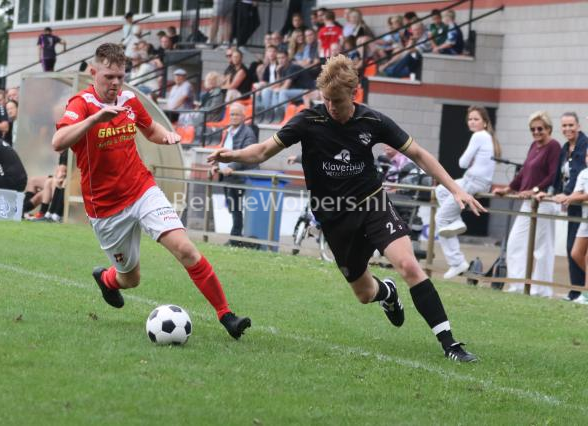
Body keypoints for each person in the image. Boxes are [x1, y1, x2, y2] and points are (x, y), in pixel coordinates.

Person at [208, 55, 483, 362]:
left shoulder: (373, 121)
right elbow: (261, 151)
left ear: (354, 93)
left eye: (337, 101)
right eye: (326, 100)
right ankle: (387, 293)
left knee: (408, 265)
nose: (331, 107)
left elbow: (418, 154)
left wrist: (456, 189)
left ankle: (450, 344)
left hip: (372, 203)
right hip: (334, 215)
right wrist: (232, 155)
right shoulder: (308, 121)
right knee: (364, 294)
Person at [51, 43, 251, 339]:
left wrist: (167, 136)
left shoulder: (130, 100)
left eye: (120, 77)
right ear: (93, 72)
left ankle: (227, 316)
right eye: (109, 77)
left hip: (141, 190)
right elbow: (58, 141)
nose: (115, 83)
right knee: (131, 279)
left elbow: (150, 129)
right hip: (105, 207)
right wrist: (95, 119)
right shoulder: (81, 104)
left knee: (185, 249)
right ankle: (107, 279)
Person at [492, 111, 561, 297]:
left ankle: (541, 290)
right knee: (515, 243)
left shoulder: (554, 146)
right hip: (527, 202)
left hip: (543, 202)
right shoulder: (533, 146)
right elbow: (524, 173)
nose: (536, 132)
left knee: (542, 248)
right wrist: (508, 189)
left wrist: (535, 190)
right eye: (533, 129)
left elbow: (553, 175)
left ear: (549, 129)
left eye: (540, 128)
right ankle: (517, 286)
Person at [436, 106, 500, 279]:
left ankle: (457, 262)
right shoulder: (488, 137)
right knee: (441, 190)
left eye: (476, 119)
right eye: (470, 119)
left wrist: (470, 161)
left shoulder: (479, 136)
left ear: (485, 122)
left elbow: (462, 163)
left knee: (441, 219)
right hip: (472, 181)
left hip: (473, 182)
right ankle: (455, 220)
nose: (472, 122)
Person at [545, 112, 588, 302]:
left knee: (577, 250)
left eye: (571, 125)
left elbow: (579, 173)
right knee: (572, 249)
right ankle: (576, 290)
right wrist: (550, 192)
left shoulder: (584, 144)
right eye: (564, 125)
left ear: (578, 126)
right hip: (572, 203)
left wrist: (567, 195)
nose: (568, 129)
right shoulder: (565, 148)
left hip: (580, 203)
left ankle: (580, 291)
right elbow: (558, 174)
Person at [210, 103, 259, 245]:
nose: (234, 117)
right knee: (232, 207)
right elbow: (223, 151)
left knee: (236, 208)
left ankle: (235, 238)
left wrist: (231, 166)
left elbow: (247, 154)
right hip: (227, 177)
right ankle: (237, 237)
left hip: (240, 177)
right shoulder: (229, 131)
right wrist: (216, 164)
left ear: (243, 117)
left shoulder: (248, 133)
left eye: (237, 114)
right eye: (232, 114)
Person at [560, 150, 588, 304]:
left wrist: (569, 198)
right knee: (576, 253)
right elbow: (577, 192)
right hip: (585, 218)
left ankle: (586, 295)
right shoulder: (583, 173)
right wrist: (568, 197)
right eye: (587, 155)